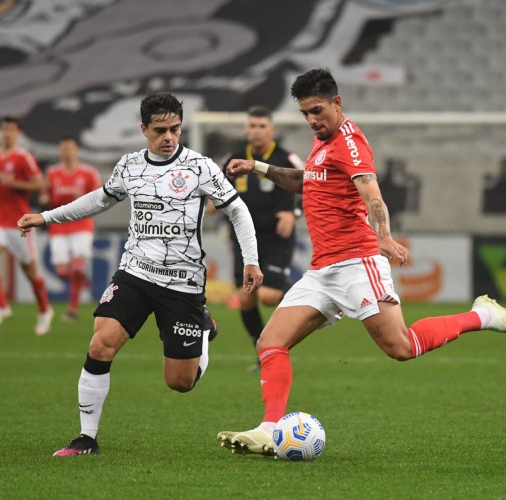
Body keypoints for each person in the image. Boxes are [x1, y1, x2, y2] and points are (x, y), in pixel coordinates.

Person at [217, 68, 506, 456]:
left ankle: (482, 316)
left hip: (356, 263)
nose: (312, 119)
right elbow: (307, 181)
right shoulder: (322, 141)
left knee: (402, 347)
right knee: (270, 342)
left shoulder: (349, 142)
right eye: (304, 114)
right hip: (322, 271)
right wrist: (258, 167)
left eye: (317, 110)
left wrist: (383, 235)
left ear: (337, 102)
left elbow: (373, 196)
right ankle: (269, 427)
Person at [17, 92, 263, 456]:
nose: (169, 137)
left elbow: (238, 211)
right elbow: (99, 199)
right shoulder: (130, 166)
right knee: (101, 343)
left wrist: (251, 260)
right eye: (160, 130)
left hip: (182, 282)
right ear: (143, 129)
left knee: (179, 383)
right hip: (134, 271)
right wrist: (46, 217)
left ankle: (203, 332)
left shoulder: (200, 167)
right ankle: (87, 438)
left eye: (175, 129)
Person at [220, 106, 304, 370]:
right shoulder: (233, 159)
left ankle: (307, 298)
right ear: (246, 130)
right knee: (245, 298)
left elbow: (312, 186)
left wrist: (294, 212)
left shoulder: (286, 158)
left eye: (262, 126)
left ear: (271, 130)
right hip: (245, 239)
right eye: (252, 126)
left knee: (268, 295)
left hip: (277, 236)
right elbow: (219, 191)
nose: (256, 131)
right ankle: (263, 348)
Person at [0, 116, 54, 336]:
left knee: (30, 272)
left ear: (18, 133)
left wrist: (15, 183)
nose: (6, 133)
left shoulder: (23, 157)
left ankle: (45, 310)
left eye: (11, 129)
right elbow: (0, 182)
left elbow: (39, 184)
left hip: (19, 224)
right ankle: (2, 307)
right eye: (4, 129)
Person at [40, 136, 103, 322]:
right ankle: (82, 281)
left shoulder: (89, 173)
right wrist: (43, 200)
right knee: (61, 271)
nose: (67, 152)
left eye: (70, 148)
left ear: (77, 151)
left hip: (82, 225)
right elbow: (45, 195)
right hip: (58, 226)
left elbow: (98, 198)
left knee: (76, 267)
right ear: (60, 152)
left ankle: (72, 309)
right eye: (63, 148)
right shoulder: (52, 173)